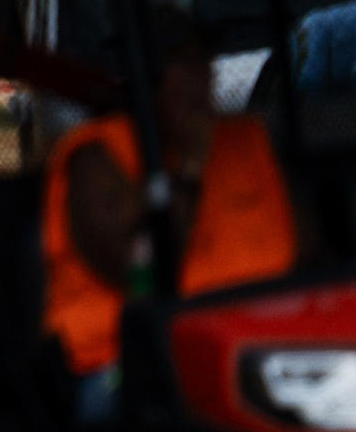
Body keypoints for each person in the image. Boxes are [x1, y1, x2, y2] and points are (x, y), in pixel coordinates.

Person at [41, 34, 296, 392]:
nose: (196, 99)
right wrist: (191, 167)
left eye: (201, 71)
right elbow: (143, 274)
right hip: (123, 367)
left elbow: (306, 247)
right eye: (182, 91)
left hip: (265, 348)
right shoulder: (101, 156)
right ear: (151, 85)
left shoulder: (243, 139)